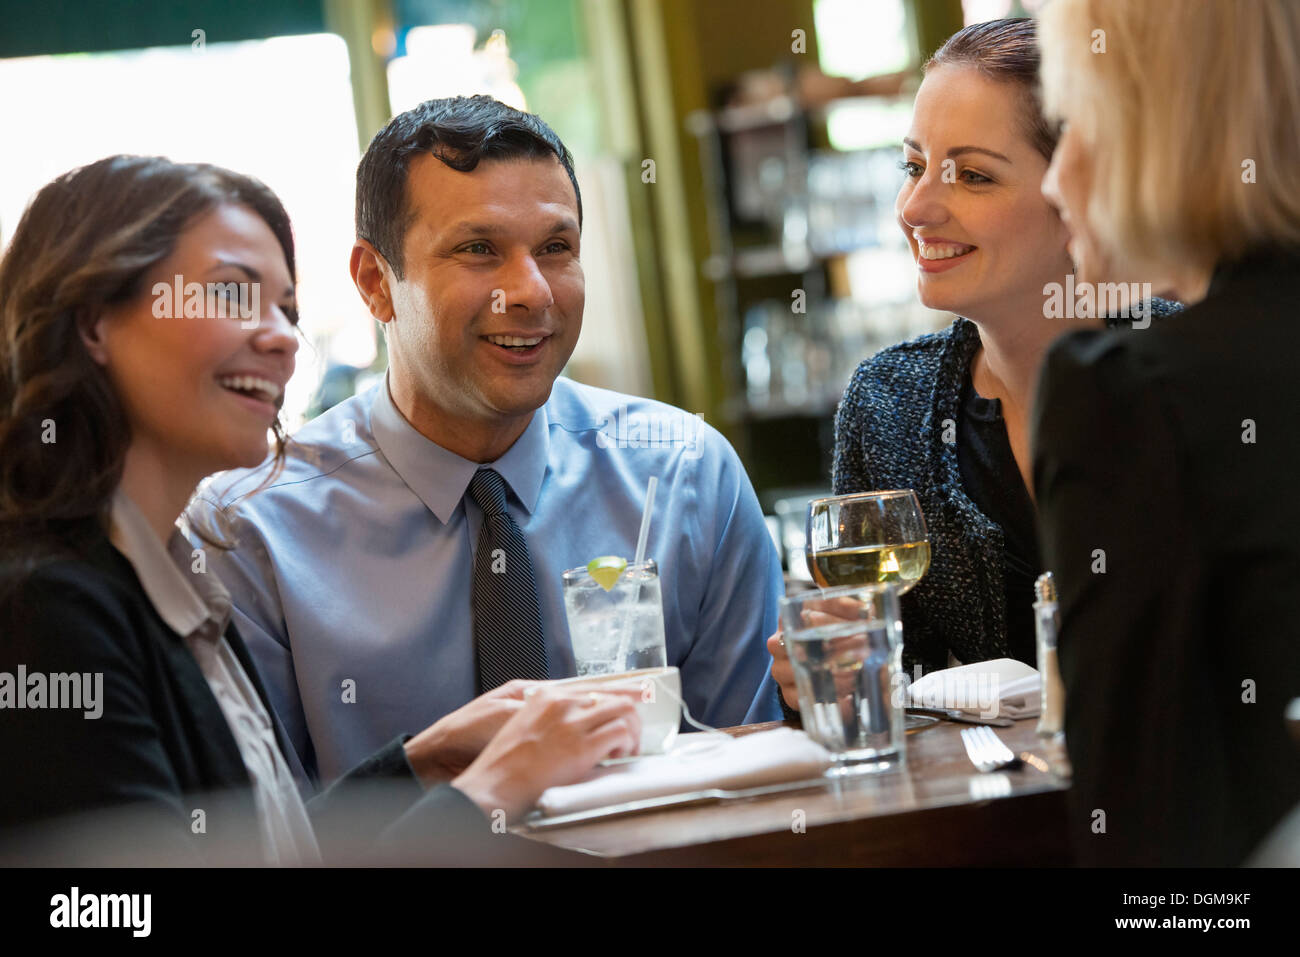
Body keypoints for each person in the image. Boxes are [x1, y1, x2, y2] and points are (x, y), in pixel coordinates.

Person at [0, 156, 642, 865]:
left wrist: (424, 761)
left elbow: (271, 849)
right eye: (230, 296)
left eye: (286, 309)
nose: (279, 337)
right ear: (94, 322)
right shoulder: (43, 608)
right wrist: (485, 793)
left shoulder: (174, 572)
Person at [189, 95, 783, 786]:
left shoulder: (686, 475)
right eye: (479, 250)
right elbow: (267, 840)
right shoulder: (251, 531)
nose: (530, 292)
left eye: (556, 248)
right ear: (375, 283)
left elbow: (750, 779)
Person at [767, 18, 1177, 710]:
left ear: (1079, 185)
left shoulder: (1193, 372)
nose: (915, 208)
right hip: (990, 813)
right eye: (913, 166)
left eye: (973, 176)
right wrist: (833, 674)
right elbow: (892, 676)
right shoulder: (887, 401)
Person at [1033, 0, 1300, 866]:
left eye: (1073, 121)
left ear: (1155, 128)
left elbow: (1147, 859)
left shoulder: (1128, 393)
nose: (1052, 177)